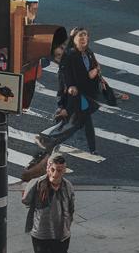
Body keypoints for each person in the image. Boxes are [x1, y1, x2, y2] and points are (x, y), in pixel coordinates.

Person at [35, 26, 128, 158]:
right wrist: (63, 105)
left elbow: (96, 77)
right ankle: (49, 140)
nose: (84, 38)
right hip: (77, 99)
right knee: (77, 122)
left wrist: (113, 92)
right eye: (80, 36)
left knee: (79, 122)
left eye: (85, 35)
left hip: (86, 96)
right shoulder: (68, 63)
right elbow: (66, 87)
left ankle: (54, 142)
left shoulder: (86, 53)